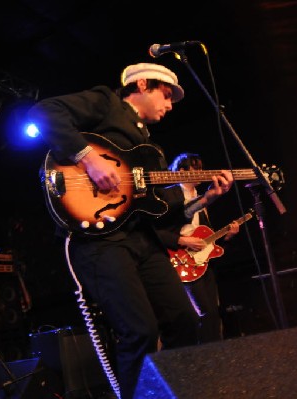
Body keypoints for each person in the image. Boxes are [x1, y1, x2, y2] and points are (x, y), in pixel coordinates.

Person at [27, 62, 235, 399]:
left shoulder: (149, 149)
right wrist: (88, 157)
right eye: (166, 96)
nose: (170, 106)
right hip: (101, 240)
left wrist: (207, 197)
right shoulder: (107, 103)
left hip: (142, 238)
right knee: (139, 330)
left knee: (183, 319)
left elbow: (163, 209)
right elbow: (45, 111)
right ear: (142, 85)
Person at [154, 153, 239, 344]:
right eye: (195, 168)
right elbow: (155, 231)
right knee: (202, 312)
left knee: (213, 312)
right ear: (181, 171)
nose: (201, 172)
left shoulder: (203, 199)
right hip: (179, 261)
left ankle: (216, 354)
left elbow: (204, 238)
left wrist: (227, 236)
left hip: (200, 262)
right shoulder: (169, 194)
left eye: (201, 168)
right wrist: (183, 241)